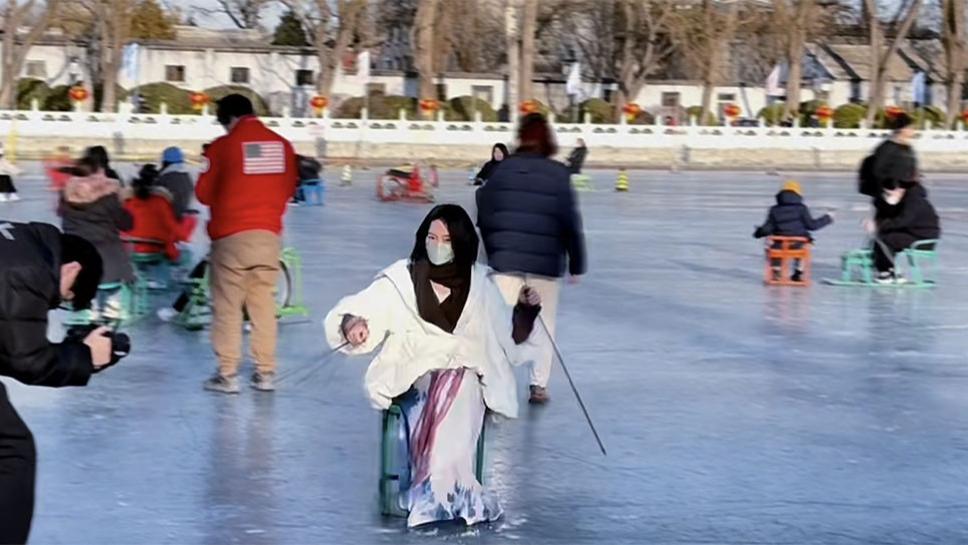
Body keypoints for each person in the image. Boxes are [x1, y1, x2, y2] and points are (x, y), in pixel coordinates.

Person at [324, 204, 541, 528]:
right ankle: (434, 487)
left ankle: (450, 489)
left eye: (446, 239)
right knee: (436, 388)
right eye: (431, 236)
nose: (436, 245)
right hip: (415, 369)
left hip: (466, 369)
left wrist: (525, 311)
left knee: (460, 386)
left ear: (461, 244)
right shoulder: (402, 278)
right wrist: (354, 325)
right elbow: (364, 308)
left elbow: (508, 338)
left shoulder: (480, 284)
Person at [0, 222, 113, 544]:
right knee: (11, 449)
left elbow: (9, 347)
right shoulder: (29, 269)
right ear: (72, 269)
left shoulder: (18, 242)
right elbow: (28, 361)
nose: (54, 303)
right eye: (64, 298)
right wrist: (86, 357)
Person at [476, 112, 587, 404]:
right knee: (544, 325)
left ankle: (495, 380)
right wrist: (577, 263)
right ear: (548, 139)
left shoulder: (502, 171)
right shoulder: (558, 174)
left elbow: (484, 211)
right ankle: (538, 385)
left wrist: (492, 248)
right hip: (544, 264)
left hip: (504, 260)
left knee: (500, 323)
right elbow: (570, 222)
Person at [195, 94, 298, 393]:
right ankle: (265, 373)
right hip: (268, 237)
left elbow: (203, 193)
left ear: (227, 118)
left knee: (228, 305)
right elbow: (289, 187)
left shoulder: (222, 146)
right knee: (263, 305)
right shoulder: (281, 145)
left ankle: (227, 374)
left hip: (231, 238)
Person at [59, 157, 135, 320]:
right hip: (109, 266)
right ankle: (112, 307)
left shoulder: (65, 199)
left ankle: (86, 308)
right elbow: (127, 224)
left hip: (76, 266)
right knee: (114, 278)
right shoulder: (108, 200)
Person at [753, 180, 834, 283]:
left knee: (771, 246)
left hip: (779, 245)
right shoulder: (802, 209)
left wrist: (758, 233)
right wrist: (828, 218)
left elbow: (767, 229)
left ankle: (776, 270)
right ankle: (798, 272)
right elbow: (812, 225)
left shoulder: (774, 209)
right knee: (805, 247)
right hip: (798, 244)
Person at [866, 180, 941, 283]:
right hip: (912, 234)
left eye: (889, 193)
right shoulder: (902, 200)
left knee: (887, 240)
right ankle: (888, 269)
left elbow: (903, 221)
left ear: (900, 190)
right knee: (883, 238)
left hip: (923, 239)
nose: (887, 196)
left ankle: (887, 273)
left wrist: (878, 225)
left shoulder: (914, 201)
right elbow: (887, 217)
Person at [122, 164, 181, 263]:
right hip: (156, 250)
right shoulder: (161, 202)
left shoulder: (128, 203)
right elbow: (173, 228)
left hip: (130, 250)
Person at [860, 113, 918, 198]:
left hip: (907, 192)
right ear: (902, 129)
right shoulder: (887, 147)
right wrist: (891, 188)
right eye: (911, 128)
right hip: (890, 195)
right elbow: (877, 170)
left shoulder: (908, 147)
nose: (913, 130)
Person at [156, 146, 195, 220]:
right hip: (183, 215)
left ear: (165, 162)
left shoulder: (165, 178)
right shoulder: (186, 176)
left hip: (169, 218)